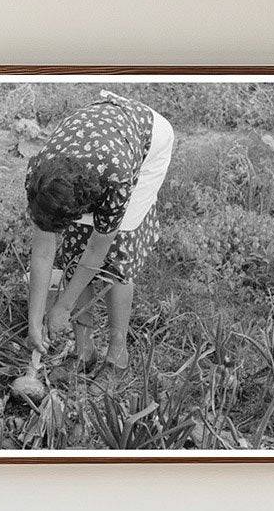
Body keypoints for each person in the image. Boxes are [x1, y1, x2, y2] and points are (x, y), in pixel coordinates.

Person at [25, 89, 174, 373]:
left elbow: (96, 250)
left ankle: (118, 354)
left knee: (117, 256)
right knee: (72, 251)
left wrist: (63, 307)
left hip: (146, 142)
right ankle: (85, 351)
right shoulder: (40, 176)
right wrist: (35, 320)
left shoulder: (116, 179)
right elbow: (43, 252)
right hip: (98, 141)